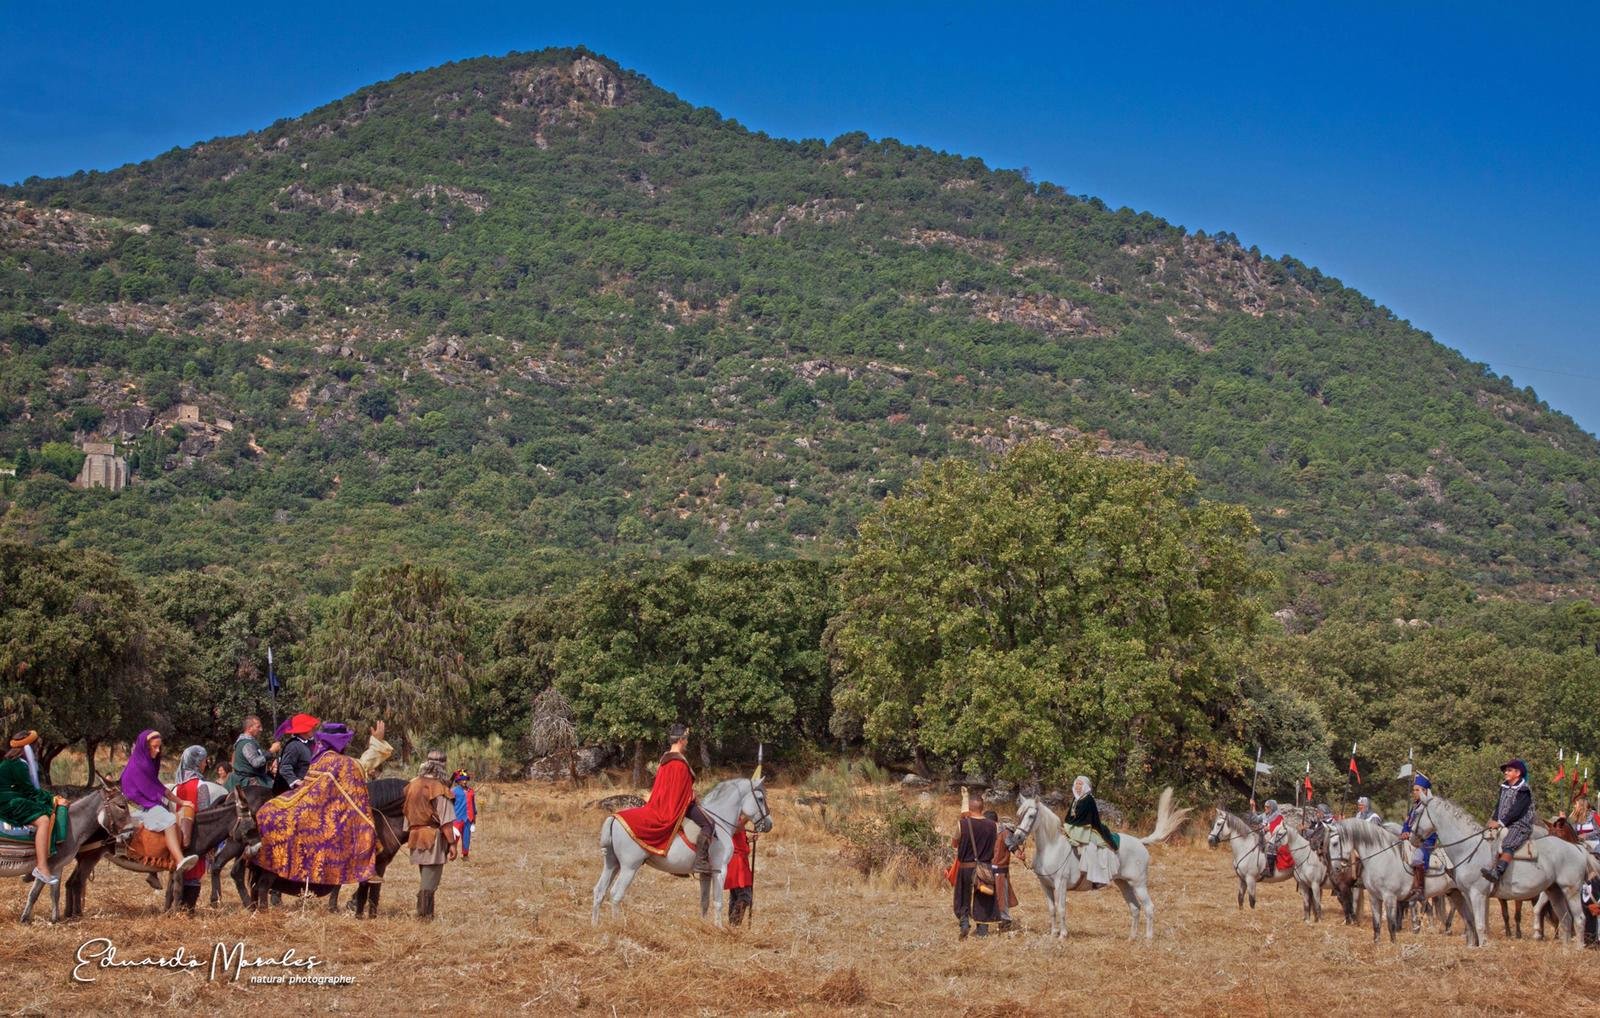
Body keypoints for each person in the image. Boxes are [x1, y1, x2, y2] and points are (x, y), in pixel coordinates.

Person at [251, 719, 377, 890]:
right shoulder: (342, 763)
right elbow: (361, 768)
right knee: (366, 827)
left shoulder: (320, 757)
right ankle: (364, 866)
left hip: (308, 798)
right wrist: (377, 744)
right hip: (321, 805)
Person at [613, 724, 718, 875]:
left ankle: (680, 867)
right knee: (709, 824)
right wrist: (692, 796)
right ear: (681, 740)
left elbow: (665, 787)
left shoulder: (665, 759)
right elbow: (683, 792)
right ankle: (700, 861)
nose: (687, 742)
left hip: (664, 803)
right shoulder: (679, 763)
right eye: (686, 739)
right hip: (679, 805)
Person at [120, 730, 199, 874]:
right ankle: (180, 859)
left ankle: (154, 871)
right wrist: (182, 801)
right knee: (169, 821)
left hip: (146, 802)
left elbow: (158, 787)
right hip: (142, 805)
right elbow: (160, 790)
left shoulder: (145, 762)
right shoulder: (140, 766)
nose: (157, 750)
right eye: (154, 747)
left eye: (159, 747)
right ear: (145, 746)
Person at [0, 730, 65, 885]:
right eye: (36, 745)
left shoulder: (11, 762)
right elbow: (29, 791)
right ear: (29, 747)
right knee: (44, 819)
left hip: (9, 797)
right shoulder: (18, 765)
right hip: (8, 801)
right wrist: (53, 799)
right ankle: (41, 867)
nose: (38, 748)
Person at [403, 750, 458, 920]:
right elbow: (447, 822)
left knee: (426, 877)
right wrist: (453, 844)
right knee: (430, 881)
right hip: (433, 837)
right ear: (442, 766)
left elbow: (406, 812)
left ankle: (426, 914)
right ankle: (424, 917)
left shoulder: (412, 784)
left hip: (415, 835)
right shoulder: (439, 789)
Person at [952, 792, 999, 938]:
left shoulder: (962, 824)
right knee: (983, 896)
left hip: (966, 867)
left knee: (963, 896)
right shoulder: (993, 826)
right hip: (985, 867)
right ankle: (982, 931)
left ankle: (964, 922)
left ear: (970, 808)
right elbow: (995, 846)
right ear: (982, 807)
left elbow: (954, 844)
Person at [1482, 758, 1534, 884]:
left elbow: (1517, 811)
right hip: (1504, 822)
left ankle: (1498, 872)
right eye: (1505, 770)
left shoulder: (1524, 790)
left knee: (1508, 842)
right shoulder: (1504, 788)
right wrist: (1494, 820)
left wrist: (1500, 823)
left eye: (1509, 770)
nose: (1505, 772)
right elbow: (1498, 806)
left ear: (1518, 773)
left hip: (1520, 824)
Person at [170, 745, 209, 912]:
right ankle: (188, 909)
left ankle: (176, 906)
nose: (206, 764)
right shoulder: (201, 785)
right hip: (196, 835)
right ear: (197, 762)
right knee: (194, 872)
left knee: (179, 872)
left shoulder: (175, 787)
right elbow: (205, 816)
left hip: (177, 837)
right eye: (204, 761)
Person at [1065, 775, 1119, 888]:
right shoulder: (1076, 799)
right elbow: (1070, 816)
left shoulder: (1088, 799)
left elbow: (1086, 819)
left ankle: (1097, 879)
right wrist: (1067, 825)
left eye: (1080, 784)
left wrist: (1073, 827)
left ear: (1085, 786)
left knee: (1091, 848)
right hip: (1077, 828)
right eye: (1076, 783)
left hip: (1089, 828)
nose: (1077, 786)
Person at [1396, 775, 1438, 902]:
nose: (1414, 793)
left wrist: (1417, 838)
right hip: (1411, 840)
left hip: (1426, 841)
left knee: (1417, 858)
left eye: (1417, 790)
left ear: (1425, 791)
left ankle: (1419, 889)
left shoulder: (1430, 807)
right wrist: (1404, 832)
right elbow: (1407, 823)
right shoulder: (1414, 807)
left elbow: (1431, 828)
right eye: (1413, 790)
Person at [985, 809, 1019, 931]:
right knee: (988, 895)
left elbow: (1012, 846)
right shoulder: (988, 831)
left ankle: (1005, 921)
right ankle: (992, 918)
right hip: (988, 869)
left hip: (1000, 870)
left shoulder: (1004, 832)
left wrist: (1019, 853)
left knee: (1002, 896)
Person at [225, 715, 278, 791]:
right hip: (248, 781)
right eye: (258, 727)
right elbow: (256, 762)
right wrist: (271, 751)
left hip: (249, 777)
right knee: (278, 791)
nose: (261, 729)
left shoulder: (251, 742)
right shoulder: (247, 744)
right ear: (249, 728)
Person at [725, 816, 756, 925]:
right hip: (737, 863)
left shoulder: (736, 815)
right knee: (745, 896)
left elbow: (737, 836)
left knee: (735, 896)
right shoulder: (731, 815)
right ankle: (734, 925)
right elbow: (734, 829)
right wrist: (748, 816)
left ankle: (731, 927)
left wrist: (748, 839)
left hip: (738, 861)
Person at [275, 713, 319, 789]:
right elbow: (285, 767)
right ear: (303, 730)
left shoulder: (310, 743)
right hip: (299, 787)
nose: (313, 728)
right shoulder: (293, 746)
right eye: (310, 727)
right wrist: (296, 781)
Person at [1249, 798, 1287, 879]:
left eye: (1267, 807)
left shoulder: (1278, 816)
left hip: (1274, 838)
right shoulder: (1264, 815)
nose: (1265, 808)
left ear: (1272, 808)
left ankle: (1269, 870)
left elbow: (1279, 828)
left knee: (1270, 847)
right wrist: (1253, 806)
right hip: (1263, 836)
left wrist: (1269, 828)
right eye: (1265, 806)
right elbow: (1255, 819)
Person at [450, 770, 477, 861]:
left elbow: (473, 806)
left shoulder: (471, 791)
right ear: (458, 781)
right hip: (457, 818)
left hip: (468, 818)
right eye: (462, 780)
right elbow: (450, 805)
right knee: (454, 838)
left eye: (466, 780)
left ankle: (465, 855)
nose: (464, 781)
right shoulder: (454, 791)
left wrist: (474, 820)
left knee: (466, 838)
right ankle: (451, 853)